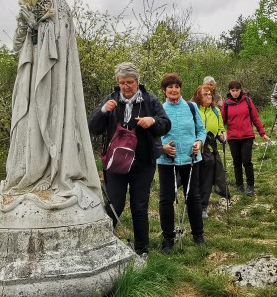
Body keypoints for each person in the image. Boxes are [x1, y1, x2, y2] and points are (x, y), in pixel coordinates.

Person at [0, 0, 103, 215]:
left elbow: (60, 47)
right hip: (31, 74)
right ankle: (29, 171)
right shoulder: (27, 6)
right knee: (28, 118)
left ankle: (54, 172)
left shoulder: (61, 9)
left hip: (54, 80)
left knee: (51, 118)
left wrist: (41, 26)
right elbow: (17, 45)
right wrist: (25, 24)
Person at [88, 63, 170, 256]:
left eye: (130, 82)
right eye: (122, 82)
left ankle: (142, 250)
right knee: (114, 204)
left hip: (143, 162)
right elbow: (93, 128)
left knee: (139, 206)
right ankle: (102, 245)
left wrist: (152, 121)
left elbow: (165, 125)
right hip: (116, 163)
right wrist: (103, 111)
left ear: (137, 82)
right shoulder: (111, 99)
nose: (125, 86)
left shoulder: (150, 100)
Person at [157, 73, 207, 252]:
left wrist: (199, 142)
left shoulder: (192, 107)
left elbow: (201, 130)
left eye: (176, 87)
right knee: (166, 199)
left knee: (193, 197)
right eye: (170, 87)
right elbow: (153, 136)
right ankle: (168, 238)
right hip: (166, 161)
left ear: (180, 89)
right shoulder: (158, 110)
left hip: (190, 158)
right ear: (164, 91)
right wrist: (163, 148)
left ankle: (198, 235)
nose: (174, 90)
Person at [223, 80, 270, 197]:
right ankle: (239, 185)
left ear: (240, 90)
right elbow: (221, 120)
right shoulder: (226, 104)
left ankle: (250, 186)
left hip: (247, 136)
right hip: (233, 137)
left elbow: (255, 118)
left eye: (237, 90)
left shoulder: (248, 101)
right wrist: (219, 133)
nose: (235, 93)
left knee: (247, 161)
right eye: (233, 90)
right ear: (229, 91)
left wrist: (262, 133)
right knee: (236, 161)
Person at [190, 84, 227, 218]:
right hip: (195, 148)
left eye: (210, 94)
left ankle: (203, 206)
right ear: (198, 97)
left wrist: (222, 135)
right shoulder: (192, 109)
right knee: (195, 178)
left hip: (210, 149)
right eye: (205, 94)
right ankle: (193, 204)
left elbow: (221, 128)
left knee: (207, 179)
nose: (209, 96)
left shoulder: (216, 111)